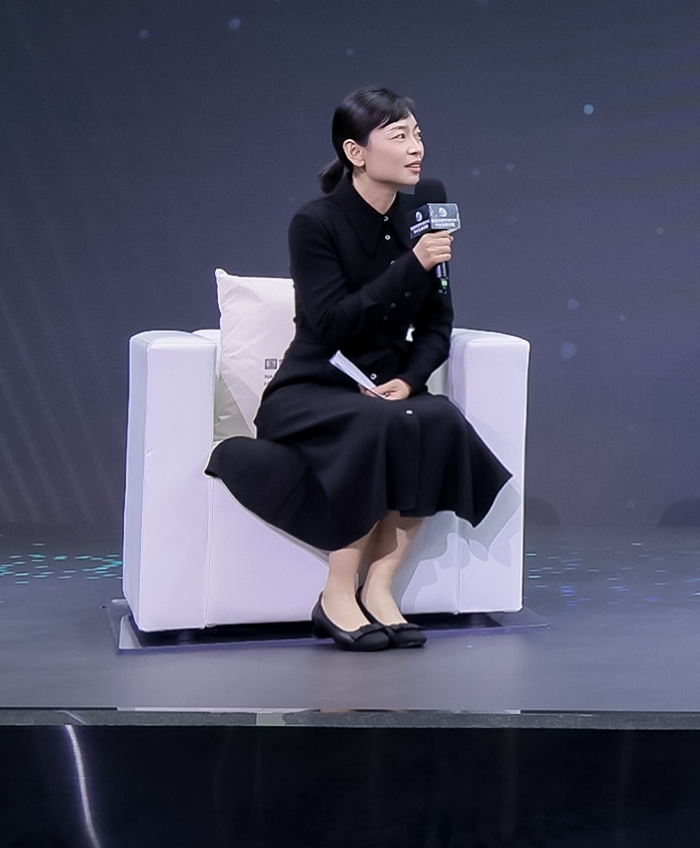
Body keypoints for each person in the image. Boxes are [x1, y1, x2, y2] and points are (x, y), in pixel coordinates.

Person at [209, 87, 516, 651]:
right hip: (310, 389)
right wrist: (412, 264)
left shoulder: (421, 217)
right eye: (399, 136)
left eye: (417, 134)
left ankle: (379, 587)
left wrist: (410, 379)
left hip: (384, 386)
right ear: (356, 152)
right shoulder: (316, 223)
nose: (416, 148)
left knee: (438, 418)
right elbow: (330, 324)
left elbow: (438, 323)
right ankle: (335, 594)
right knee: (382, 425)